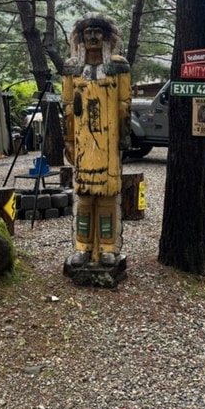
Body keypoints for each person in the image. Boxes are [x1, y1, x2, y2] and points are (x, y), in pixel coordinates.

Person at [61, 14, 131, 279]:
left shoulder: (118, 67)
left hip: (108, 143)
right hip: (82, 144)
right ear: (79, 37)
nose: (92, 37)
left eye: (97, 32)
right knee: (84, 197)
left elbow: (124, 105)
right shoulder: (71, 68)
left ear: (105, 37)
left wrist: (124, 137)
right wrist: (68, 140)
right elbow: (67, 108)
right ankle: (82, 246)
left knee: (107, 198)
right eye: (87, 32)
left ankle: (107, 247)